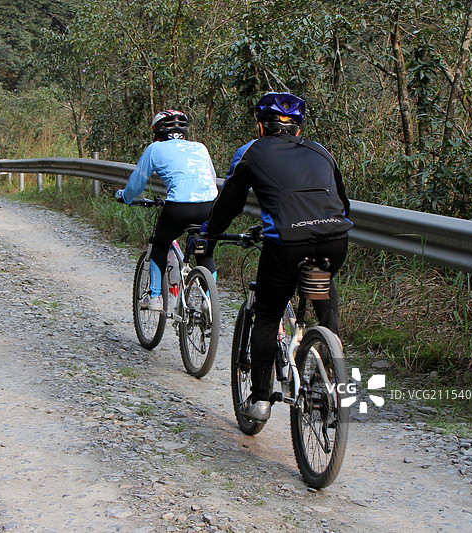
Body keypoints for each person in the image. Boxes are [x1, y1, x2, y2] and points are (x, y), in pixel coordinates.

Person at [203, 92, 352, 421]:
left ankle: (259, 400)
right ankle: (328, 374)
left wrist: (210, 231)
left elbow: (230, 204)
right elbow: (343, 203)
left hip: (287, 245)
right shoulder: (321, 151)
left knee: (268, 315)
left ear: (260, 126)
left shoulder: (254, 153)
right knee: (323, 302)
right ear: (298, 130)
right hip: (333, 240)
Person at [115, 110, 219, 311]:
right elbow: (211, 178)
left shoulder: (155, 149)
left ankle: (154, 296)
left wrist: (125, 197)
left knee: (160, 243)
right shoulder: (200, 148)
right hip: (210, 206)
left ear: (156, 133)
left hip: (178, 207)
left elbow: (136, 184)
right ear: (185, 133)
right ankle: (209, 301)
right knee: (205, 253)